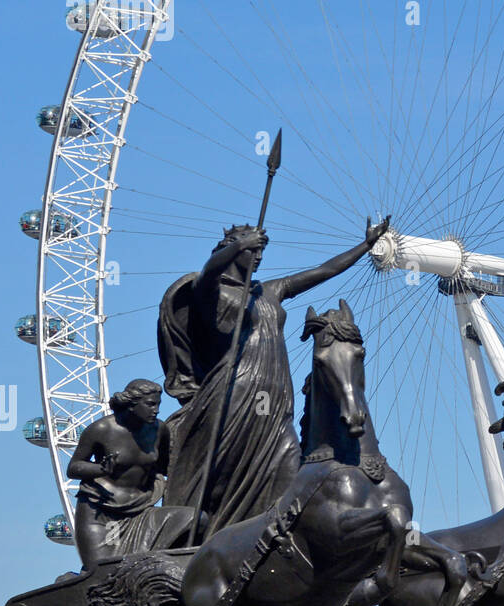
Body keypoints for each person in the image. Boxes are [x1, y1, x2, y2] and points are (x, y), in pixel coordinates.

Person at [156, 216, 390, 538]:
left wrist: (365, 246)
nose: (259, 256)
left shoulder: (269, 291)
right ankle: (222, 534)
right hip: (239, 392)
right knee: (247, 463)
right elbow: (210, 271)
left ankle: (269, 538)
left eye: (262, 250)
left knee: (288, 457)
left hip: (275, 391)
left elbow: (324, 271)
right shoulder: (210, 290)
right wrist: (241, 243)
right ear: (233, 250)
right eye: (253, 250)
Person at [66, 379, 192, 568]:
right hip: (102, 514)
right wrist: (100, 469)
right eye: (150, 404)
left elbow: (167, 467)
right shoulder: (101, 429)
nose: (156, 410)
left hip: (142, 510)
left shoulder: (159, 429)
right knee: (102, 574)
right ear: (132, 405)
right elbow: (73, 468)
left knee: (192, 519)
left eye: (158, 404)